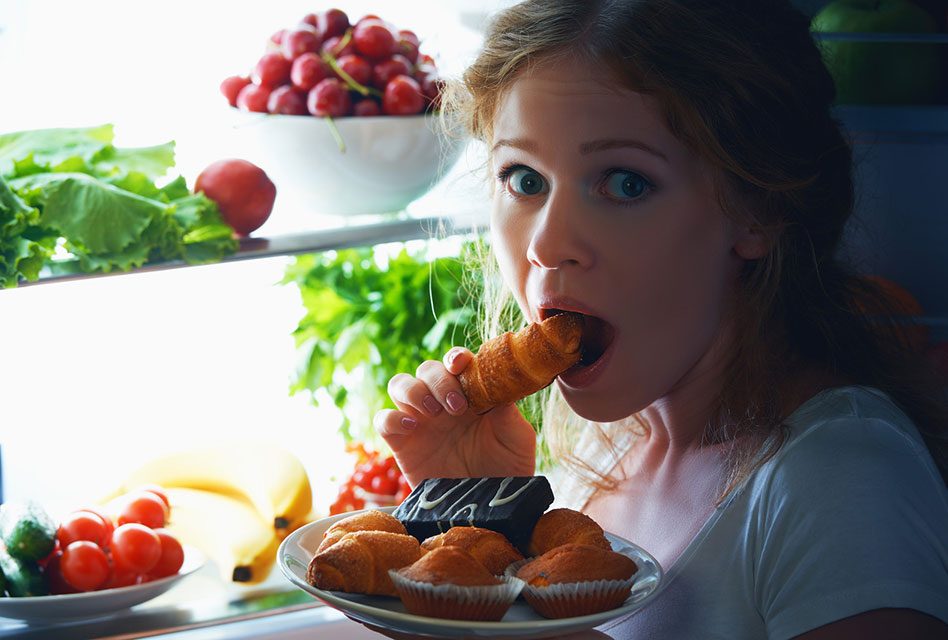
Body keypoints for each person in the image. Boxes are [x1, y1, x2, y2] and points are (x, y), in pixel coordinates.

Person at [373, 1, 948, 638]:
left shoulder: (844, 483)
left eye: (625, 183)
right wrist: (483, 528)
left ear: (755, 207)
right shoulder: (604, 448)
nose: (546, 243)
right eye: (525, 179)